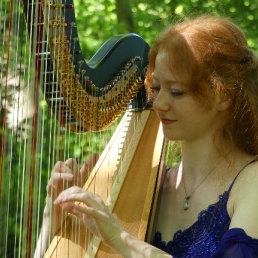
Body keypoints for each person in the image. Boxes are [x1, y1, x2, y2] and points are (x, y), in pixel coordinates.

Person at [36, 15, 258, 257]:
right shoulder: (151, 185)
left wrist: (120, 238)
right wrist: (53, 214)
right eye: (156, 88)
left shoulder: (251, 184)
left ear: (223, 96)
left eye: (176, 92)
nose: (158, 103)